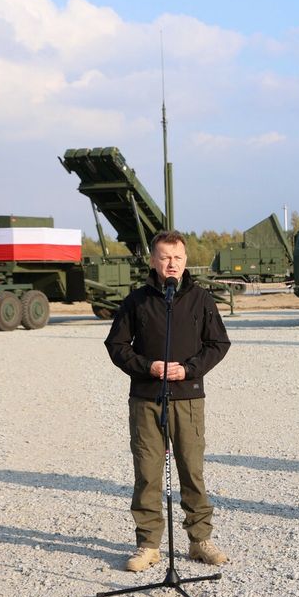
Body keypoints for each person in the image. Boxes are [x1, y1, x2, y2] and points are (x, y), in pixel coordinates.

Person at [104, 230, 231, 573]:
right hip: (146, 398)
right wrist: (148, 367)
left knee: (191, 470)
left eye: (176, 258)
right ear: (153, 261)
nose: (171, 264)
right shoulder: (136, 301)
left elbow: (218, 344)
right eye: (164, 257)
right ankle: (148, 544)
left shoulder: (201, 299)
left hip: (188, 398)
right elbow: (116, 346)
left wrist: (189, 369)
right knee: (147, 472)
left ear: (185, 261)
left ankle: (199, 540)